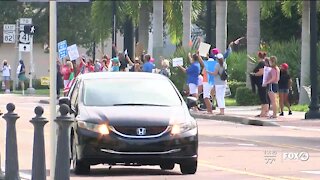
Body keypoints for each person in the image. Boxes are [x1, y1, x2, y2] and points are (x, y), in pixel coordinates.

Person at [250, 51, 269, 117]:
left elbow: (261, 72)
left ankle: (265, 112)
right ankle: (263, 112)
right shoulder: (265, 63)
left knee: (264, 97)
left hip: (261, 82)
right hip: (262, 82)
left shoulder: (261, 63)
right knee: (262, 97)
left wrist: (254, 74)